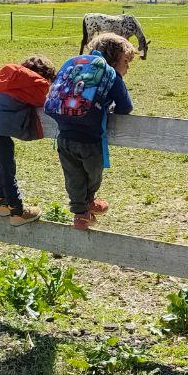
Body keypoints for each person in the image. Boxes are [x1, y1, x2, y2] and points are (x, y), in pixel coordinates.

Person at [46, 34, 135, 230]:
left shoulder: (77, 64)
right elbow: (125, 107)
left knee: (73, 176)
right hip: (89, 139)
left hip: (64, 136)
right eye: (126, 61)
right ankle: (90, 201)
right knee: (93, 174)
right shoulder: (110, 73)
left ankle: (80, 214)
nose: (127, 67)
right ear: (114, 58)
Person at [0, 54, 57, 226]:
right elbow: (43, 102)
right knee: (6, 171)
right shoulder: (35, 84)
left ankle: (2, 204)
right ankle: (17, 212)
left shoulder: (8, 79)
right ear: (45, 76)